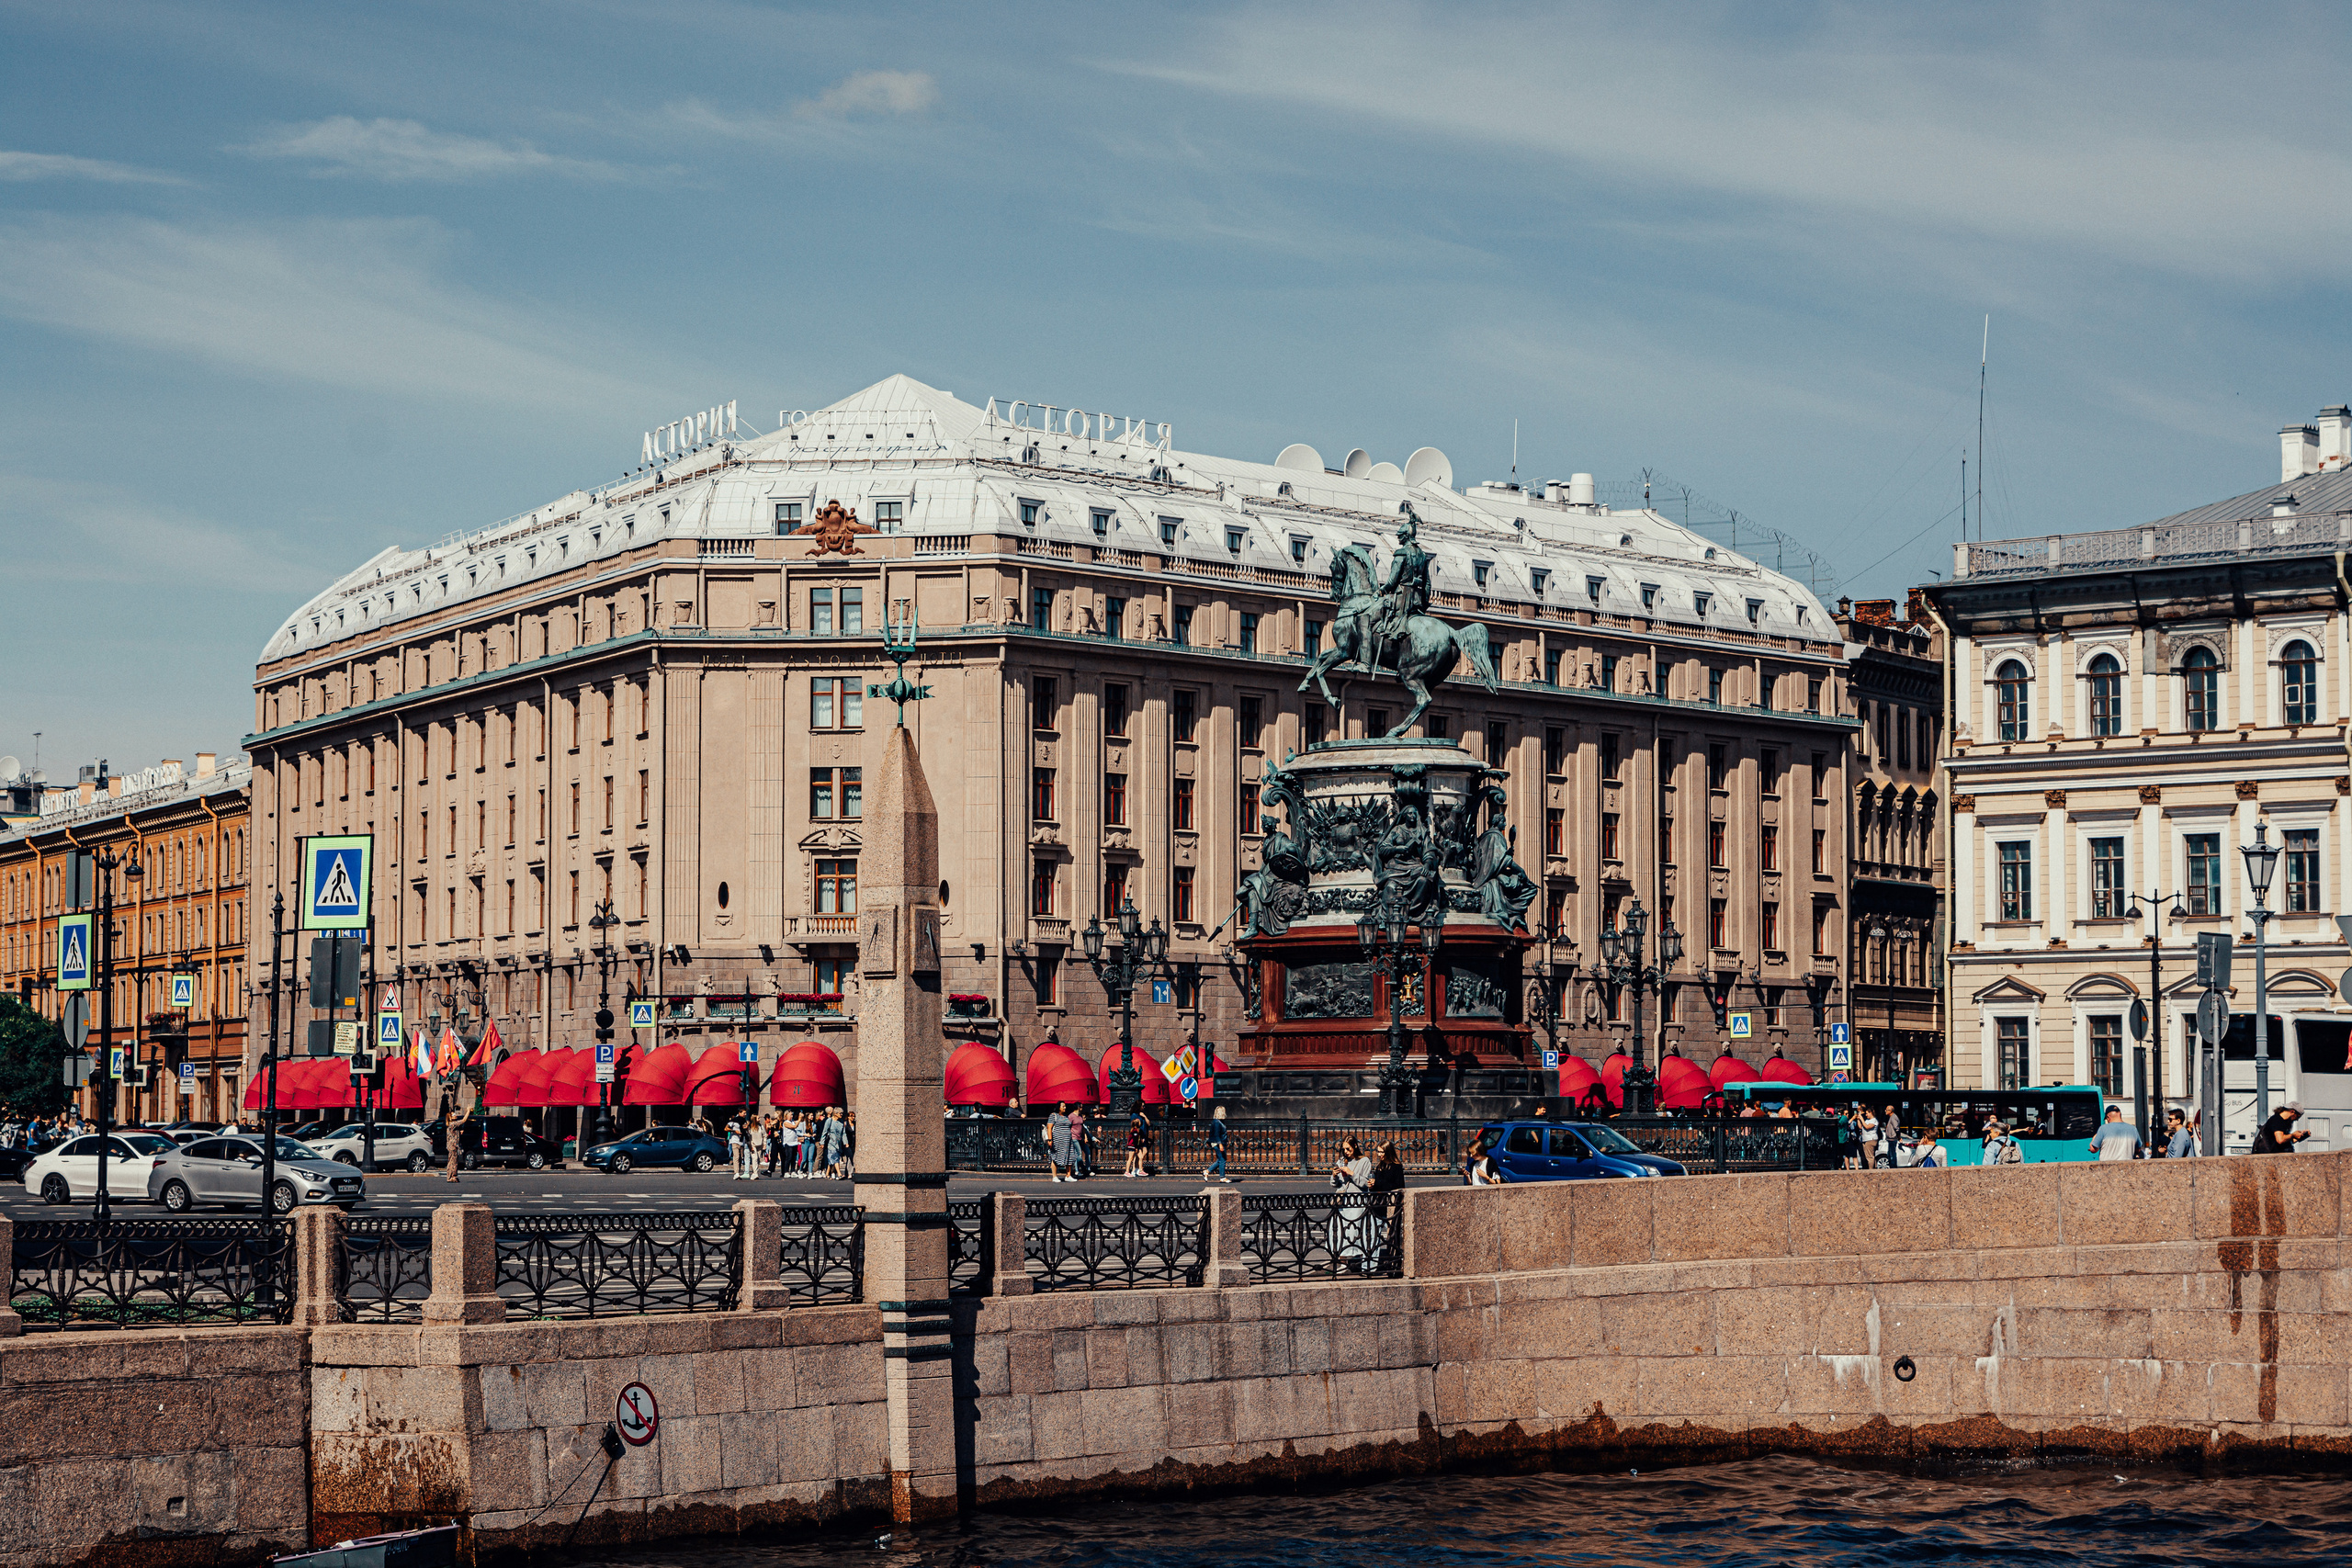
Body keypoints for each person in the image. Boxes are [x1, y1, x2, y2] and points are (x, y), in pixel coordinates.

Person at [1329, 1136, 1376, 1271]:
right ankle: (1342, 1262)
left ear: (1355, 1146)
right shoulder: (1341, 1161)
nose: (1346, 1152)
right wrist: (1333, 1176)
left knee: (1355, 1231)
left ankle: (1360, 1261)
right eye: (1344, 1149)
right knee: (1338, 1230)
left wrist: (1351, 1173)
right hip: (1342, 1201)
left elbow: (1365, 1183)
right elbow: (1335, 1184)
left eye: (1348, 1149)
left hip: (1357, 1201)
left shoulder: (1364, 1161)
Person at [1047, 1102, 1075, 1182]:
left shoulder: (1066, 1117)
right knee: (1055, 1157)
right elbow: (1049, 1127)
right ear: (1058, 1107)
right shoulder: (1053, 1115)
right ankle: (1054, 1176)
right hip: (1058, 1140)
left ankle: (1068, 1175)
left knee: (1069, 1156)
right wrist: (1050, 1139)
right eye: (1063, 1106)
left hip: (1067, 1140)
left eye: (1065, 1106)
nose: (1065, 1107)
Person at [1125, 1108, 1151, 1178]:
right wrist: (1136, 1148)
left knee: (1141, 1157)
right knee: (1130, 1158)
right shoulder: (1135, 1131)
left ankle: (1139, 1170)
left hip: (1136, 1146)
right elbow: (1135, 1140)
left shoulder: (1137, 1131)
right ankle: (1127, 1171)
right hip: (1133, 1146)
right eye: (1139, 1123)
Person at [1207, 1104, 1229, 1182]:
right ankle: (1222, 1177)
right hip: (1217, 1143)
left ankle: (1207, 1171)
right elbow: (1216, 1134)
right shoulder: (1217, 1122)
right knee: (1222, 1159)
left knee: (1220, 1159)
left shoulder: (1219, 1121)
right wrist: (1220, 1144)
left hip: (1219, 1142)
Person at [1855, 1106, 1879, 1170]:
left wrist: (1862, 1119)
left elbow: (1867, 1127)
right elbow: (1861, 1127)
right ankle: (1872, 1168)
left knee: (1870, 1157)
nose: (1866, 1115)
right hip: (1865, 1140)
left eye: (1867, 1113)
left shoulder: (1874, 1120)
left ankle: (1871, 1170)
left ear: (1871, 1113)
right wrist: (1858, 1119)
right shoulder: (1868, 1120)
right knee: (1867, 1156)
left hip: (1871, 1139)